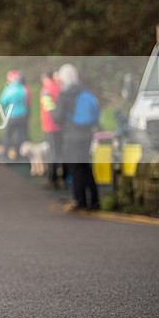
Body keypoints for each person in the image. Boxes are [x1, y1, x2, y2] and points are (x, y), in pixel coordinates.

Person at [52, 63, 100, 210]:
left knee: (75, 169)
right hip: (86, 135)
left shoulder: (65, 94)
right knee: (86, 167)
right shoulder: (84, 90)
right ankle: (94, 200)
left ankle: (80, 201)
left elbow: (57, 118)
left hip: (72, 136)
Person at [39, 70, 64, 189]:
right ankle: (62, 177)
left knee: (53, 153)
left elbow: (48, 106)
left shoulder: (46, 89)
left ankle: (52, 178)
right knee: (60, 152)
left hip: (50, 125)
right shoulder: (59, 87)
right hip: (60, 125)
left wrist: (54, 117)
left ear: (45, 77)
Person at [0, 70, 29, 161]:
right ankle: (18, 155)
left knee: (8, 135)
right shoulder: (23, 88)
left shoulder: (9, 89)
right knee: (20, 136)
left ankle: (5, 154)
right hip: (22, 115)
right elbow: (26, 101)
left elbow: (3, 101)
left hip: (11, 115)